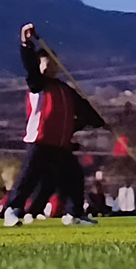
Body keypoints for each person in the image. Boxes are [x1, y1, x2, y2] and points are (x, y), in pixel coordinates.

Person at [3, 24, 105, 227]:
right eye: (47, 64)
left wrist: (99, 122)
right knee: (28, 178)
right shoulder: (37, 84)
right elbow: (29, 65)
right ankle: (11, 211)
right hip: (39, 141)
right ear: (40, 67)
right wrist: (26, 44)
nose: (52, 68)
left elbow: (84, 109)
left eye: (54, 65)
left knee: (74, 177)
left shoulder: (66, 90)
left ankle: (74, 214)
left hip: (61, 145)